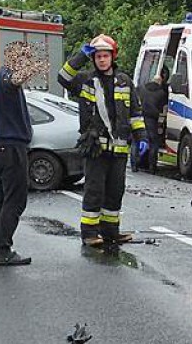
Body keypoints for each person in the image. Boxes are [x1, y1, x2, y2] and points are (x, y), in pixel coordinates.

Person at [57, 34, 148, 248]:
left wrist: (142, 137)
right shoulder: (86, 80)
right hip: (95, 148)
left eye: (105, 55)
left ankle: (110, 233)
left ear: (112, 57)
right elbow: (63, 77)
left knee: (115, 192)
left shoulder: (124, 82)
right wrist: (81, 56)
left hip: (118, 150)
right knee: (94, 191)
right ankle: (89, 233)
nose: (101, 60)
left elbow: (135, 113)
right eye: (97, 56)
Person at [0, 41, 48, 266]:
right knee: (14, 201)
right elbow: (14, 79)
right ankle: (4, 249)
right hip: (11, 149)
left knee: (1, 199)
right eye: (23, 57)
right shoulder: (7, 77)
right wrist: (32, 68)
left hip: (0, 147)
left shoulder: (1, 78)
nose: (27, 61)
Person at [137, 67, 170, 173]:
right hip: (153, 119)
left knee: (137, 140)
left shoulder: (142, 88)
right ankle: (152, 166)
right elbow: (164, 106)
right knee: (153, 143)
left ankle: (136, 164)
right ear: (160, 82)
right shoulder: (161, 92)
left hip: (140, 117)